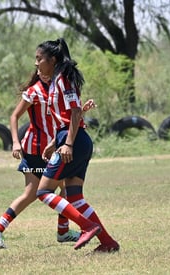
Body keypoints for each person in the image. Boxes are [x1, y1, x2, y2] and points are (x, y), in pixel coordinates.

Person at [0, 68, 96, 249]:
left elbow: (67, 118)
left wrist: (82, 110)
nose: (40, 69)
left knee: (64, 190)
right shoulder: (34, 91)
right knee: (35, 193)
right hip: (36, 150)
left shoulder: (58, 87)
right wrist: (15, 142)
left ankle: (62, 231)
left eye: (41, 64)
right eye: (36, 66)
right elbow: (14, 116)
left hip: (54, 148)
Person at [35, 38, 119, 252]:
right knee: (75, 197)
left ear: (52, 60)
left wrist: (68, 144)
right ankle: (108, 243)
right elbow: (71, 113)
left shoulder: (63, 79)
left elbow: (73, 113)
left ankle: (88, 227)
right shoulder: (55, 80)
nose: (36, 63)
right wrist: (55, 142)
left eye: (39, 59)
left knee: (43, 192)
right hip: (71, 139)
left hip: (73, 142)